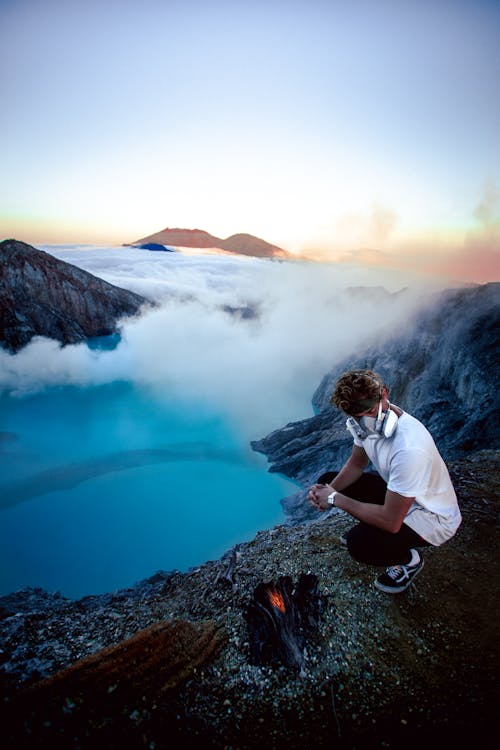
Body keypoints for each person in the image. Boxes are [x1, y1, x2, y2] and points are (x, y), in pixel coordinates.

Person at [308, 369, 462, 594]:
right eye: (358, 416)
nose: (366, 421)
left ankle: (409, 560)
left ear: (384, 394)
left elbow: (391, 521)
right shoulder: (364, 424)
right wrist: (329, 490)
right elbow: (356, 464)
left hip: (431, 516)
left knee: (360, 544)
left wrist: (333, 498)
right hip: (401, 497)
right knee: (329, 480)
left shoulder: (409, 448)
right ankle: (374, 528)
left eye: (370, 411)